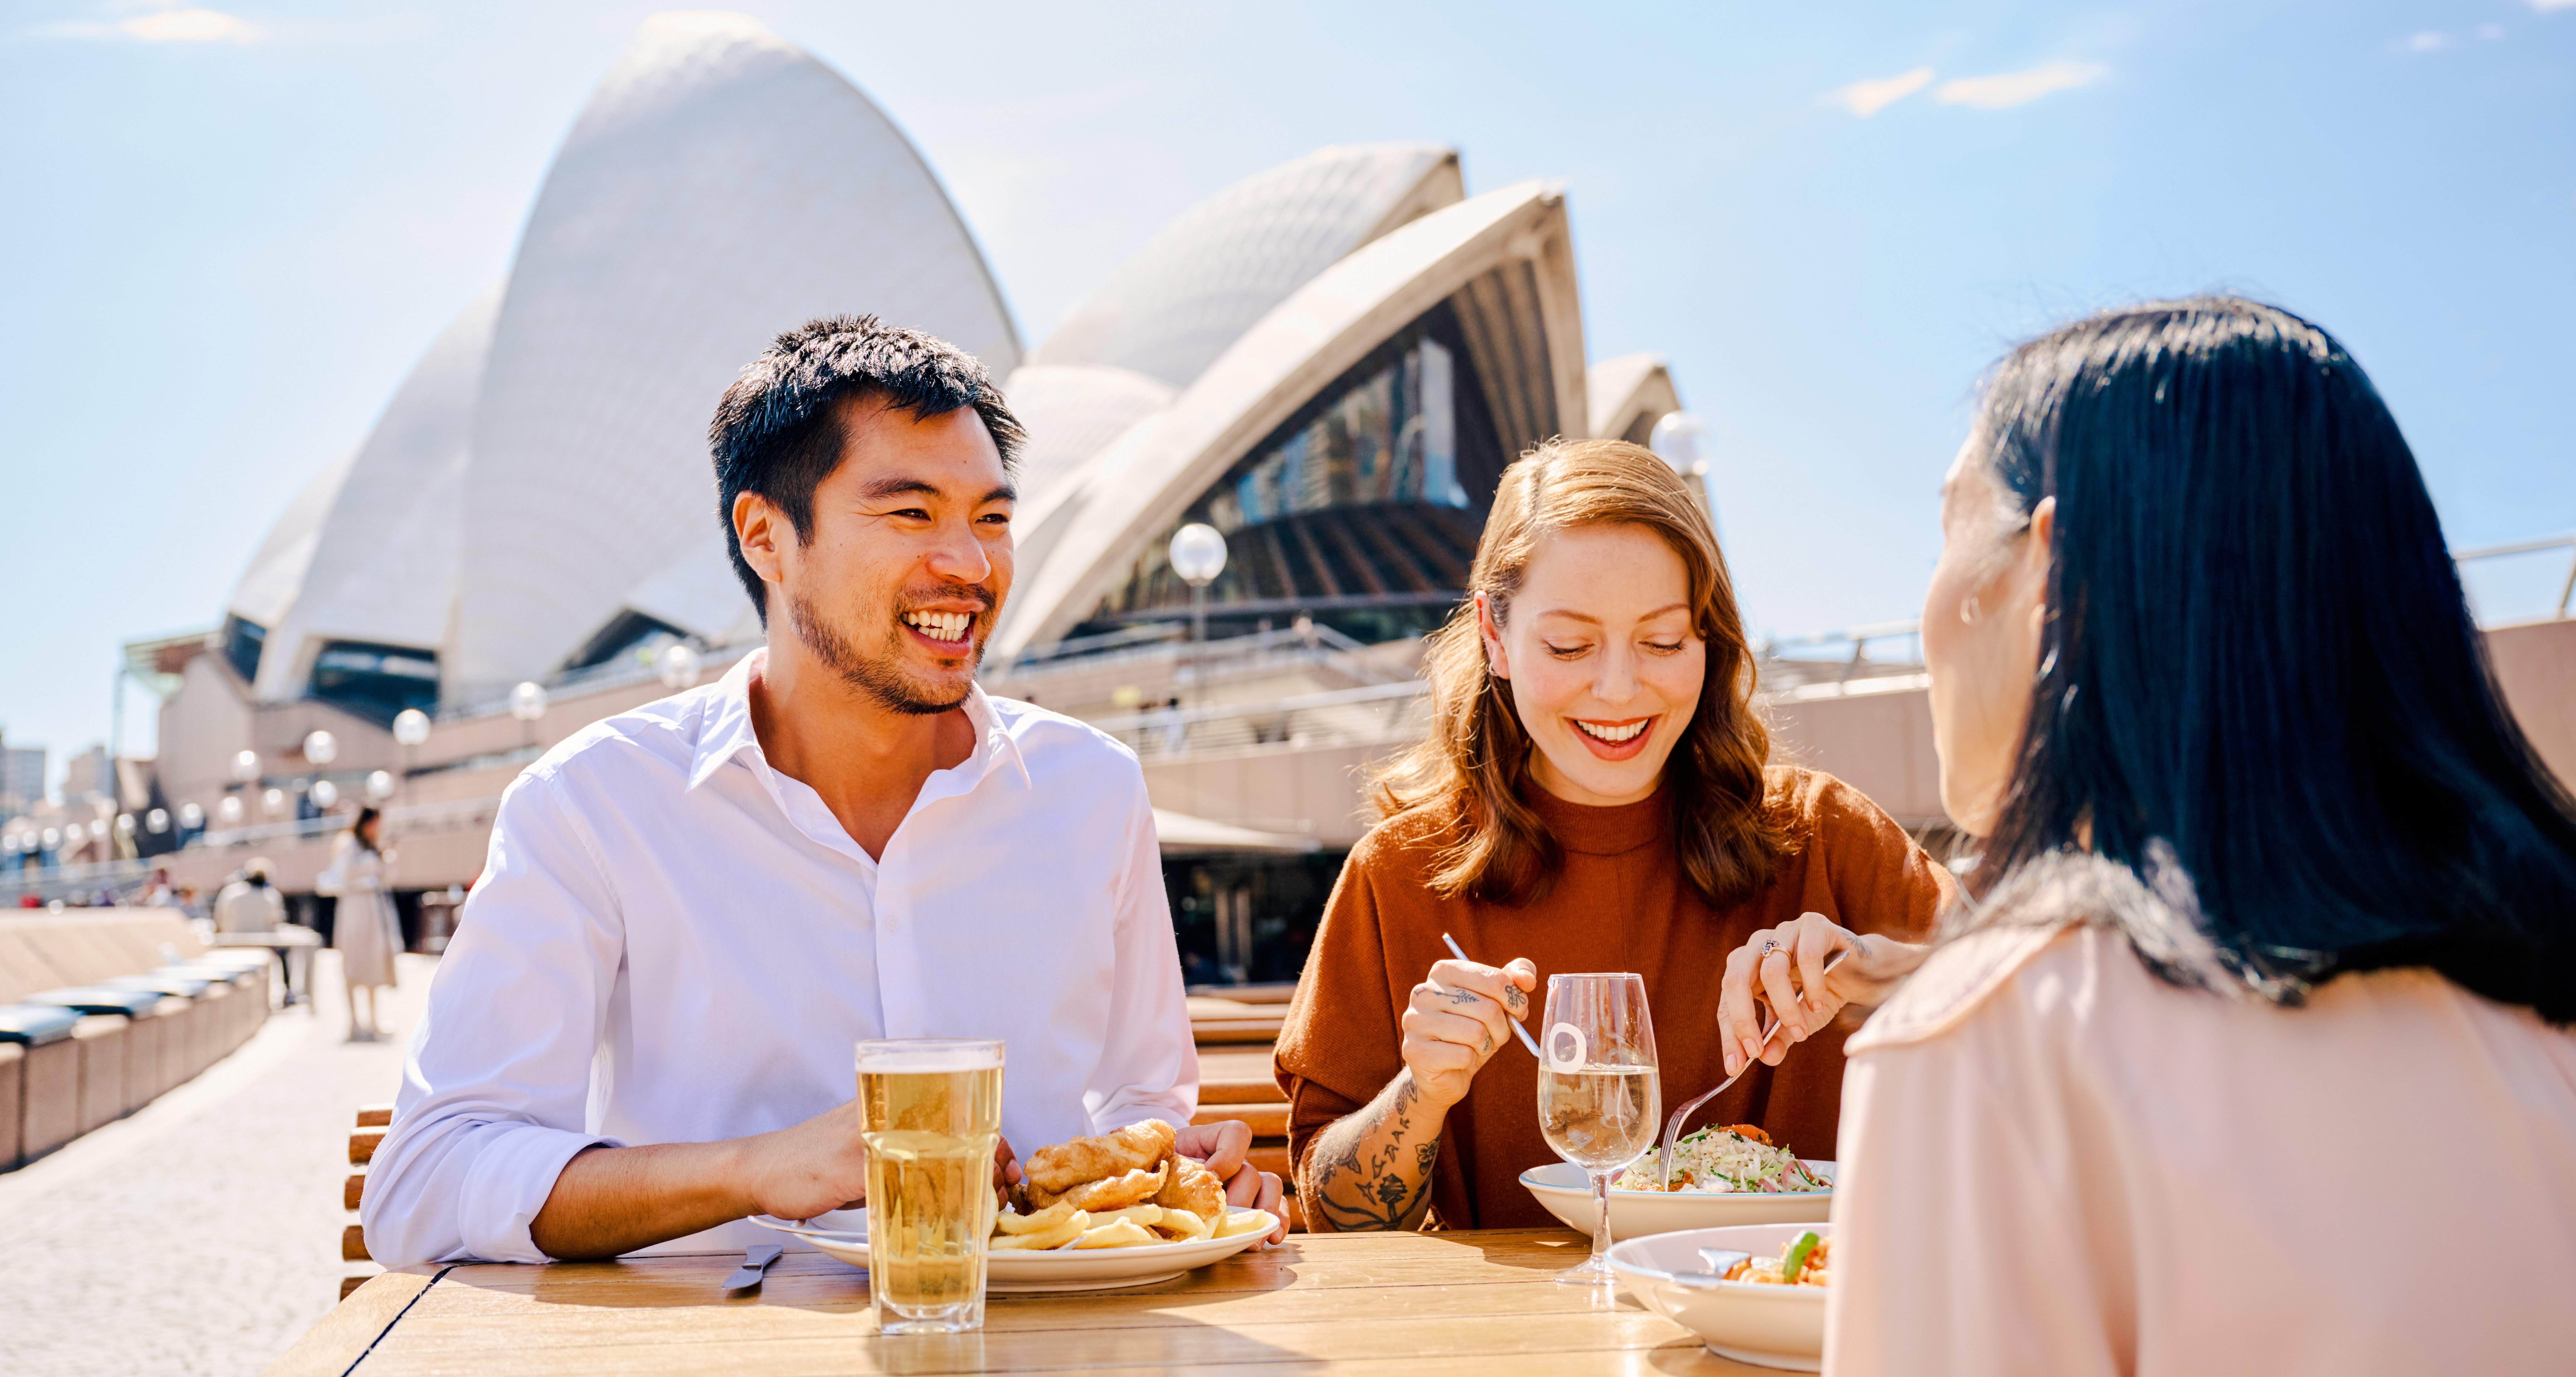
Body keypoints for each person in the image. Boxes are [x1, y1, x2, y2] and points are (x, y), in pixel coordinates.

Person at [363, 316, 1286, 1267]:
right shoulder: (591, 805)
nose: (971, 565)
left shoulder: (1092, 790)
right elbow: (426, 1181)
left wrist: (1187, 1170)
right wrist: (755, 1170)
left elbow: (1138, 1111)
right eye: (911, 513)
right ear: (767, 537)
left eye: (993, 517)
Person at [1825, 299, 2576, 1374]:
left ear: (2050, 577)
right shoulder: (2537, 998)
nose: (1927, 601)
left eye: (1945, 528)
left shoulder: (1994, 1041)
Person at [1274, 437, 1957, 1231]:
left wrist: (1877, 967)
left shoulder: (1825, 836)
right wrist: (1420, 1095)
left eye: (1663, 642)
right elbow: (1332, 1214)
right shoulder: (1398, 874)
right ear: (1495, 638)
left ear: (1709, 641)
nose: (1618, 690)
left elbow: (2051, 1009)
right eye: (1569, 645)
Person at [319, 809, 400, 1042]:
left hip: (373, 910)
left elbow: (387, 879)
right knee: (353, 963)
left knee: (374, 961)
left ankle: (374, 1021)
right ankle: (354, 1022)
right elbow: (342, 875)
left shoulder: (374, 846)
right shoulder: (348, 843)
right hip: (354, 909)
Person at [213, 857, 291, 997]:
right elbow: (276, 922)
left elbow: (219, 922)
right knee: (284, 954)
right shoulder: (271, 896)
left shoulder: (230, 893)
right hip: (262, 946)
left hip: (232, 944)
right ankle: (288, 991)